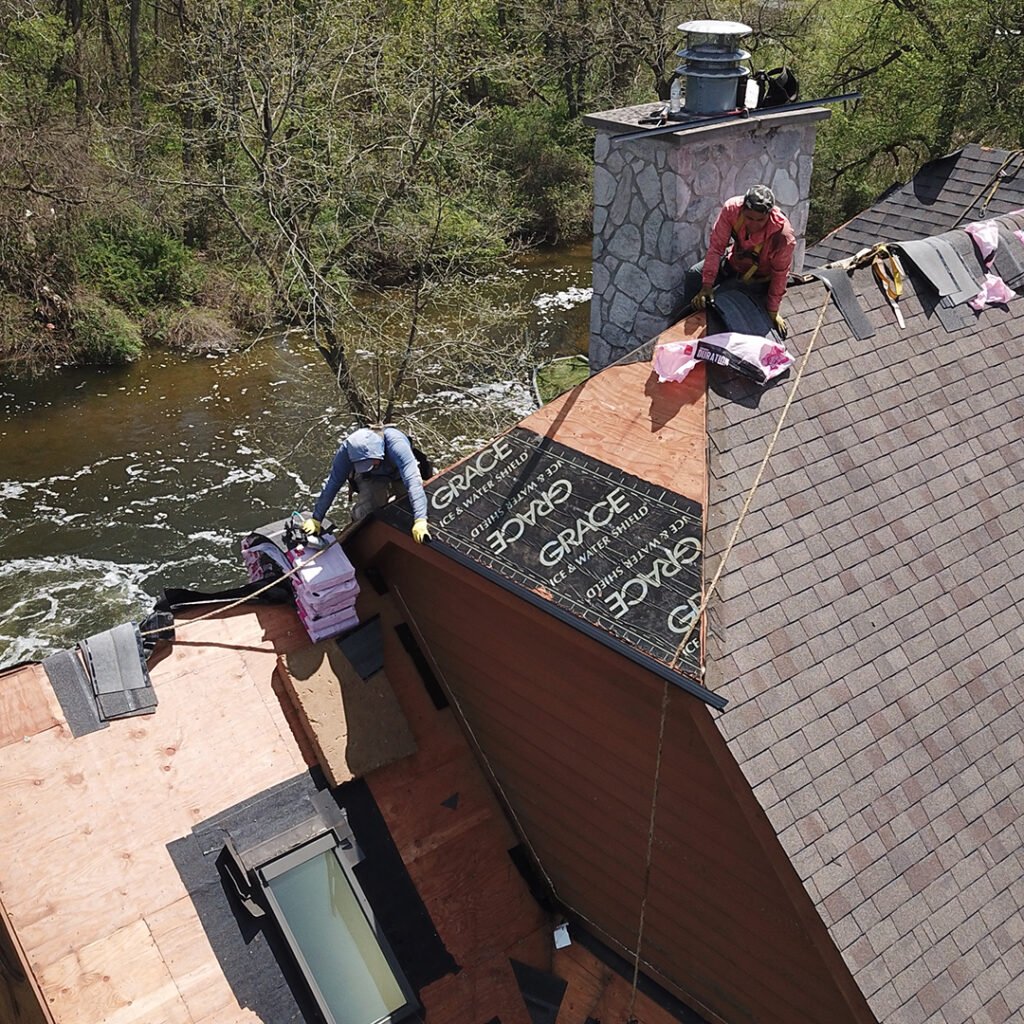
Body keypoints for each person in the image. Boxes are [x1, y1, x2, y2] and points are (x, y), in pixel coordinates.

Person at [684, 184, 795, 336]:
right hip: (733, 263)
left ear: (769, 216)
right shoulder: (732, 210)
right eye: (749, 218)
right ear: (743, 210)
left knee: (720, 300)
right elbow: (716, 248)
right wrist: (706, 284)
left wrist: (772, 310)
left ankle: (706, 332)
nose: (754, 224)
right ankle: (686, 317)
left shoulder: (782, 235)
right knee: (693, 275)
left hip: (758, 279)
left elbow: (781, 273)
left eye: (760, 220)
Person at [302, 426, 430, 543]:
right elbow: (333, 484)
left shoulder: (396, 444)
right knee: (367, 512)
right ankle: (358, 538)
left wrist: (420, 519)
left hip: (399, 472)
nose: (370, 466)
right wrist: (316, 518)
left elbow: (413, 481)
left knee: (409, 503)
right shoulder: (347, 451)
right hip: (372, 478)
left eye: (371, 462)